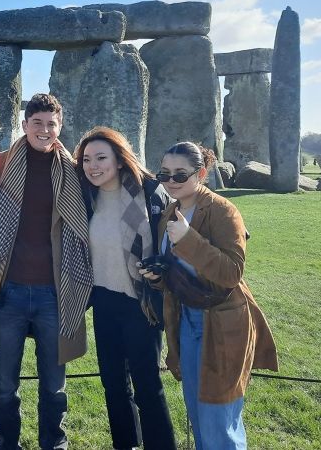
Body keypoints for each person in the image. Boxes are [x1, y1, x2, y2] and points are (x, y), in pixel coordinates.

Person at [0, 93, 92, 450]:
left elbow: (116, 177)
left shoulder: (75, 171)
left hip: (54, 291)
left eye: (51, 123)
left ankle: (54, 443)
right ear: (24, 125)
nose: (44, 130)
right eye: (37, 123)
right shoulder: (1, 162)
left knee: (53, 384)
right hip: (9, 291)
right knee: (4, 383)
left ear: (60, 126)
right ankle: (7, 443)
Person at [139, 142, 278, 450]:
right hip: (187, 321)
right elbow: (180, 273)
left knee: (218, 422)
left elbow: (231, 273)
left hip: (222, 322)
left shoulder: (222, 210)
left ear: (201, 173)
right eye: (165, 174)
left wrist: (189, 238)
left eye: (180, 175)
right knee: (199, 415)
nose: (171, 182)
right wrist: (159, 276)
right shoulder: (170, 213)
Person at [75, 127, 177, 450]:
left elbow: (174, 233)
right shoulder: (85, 196)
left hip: (140, 302)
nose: (93, 166)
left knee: (148, 386)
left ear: (119, 160)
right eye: (87, 159)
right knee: (114, 387)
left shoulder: (149, 192)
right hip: (104, 302)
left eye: (101, 158)